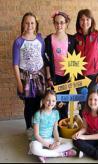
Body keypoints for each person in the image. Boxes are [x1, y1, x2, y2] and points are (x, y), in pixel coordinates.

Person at [12, 12, 46, 140]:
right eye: (27, 22)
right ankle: (28, 128)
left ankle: (36, 127)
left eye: (32, 23)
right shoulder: (18, 42)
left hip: (39, 78)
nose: (29, 25)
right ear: (23, 24)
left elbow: (42, 57)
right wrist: (19, 83)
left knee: (37, 103)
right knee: (28, 105)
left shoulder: (40, 39)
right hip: (25, 80)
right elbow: (15, 64)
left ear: (36, 24)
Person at [74, 8, 98, 114]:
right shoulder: (75, 38)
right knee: (83, 101)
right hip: (80, 76)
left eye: (87, 19)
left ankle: (94, 125)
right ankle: (84, 124)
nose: (85, 22)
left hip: (94, 77)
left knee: (94, 101)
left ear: (91, 20)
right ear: (78, 22)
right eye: (82, 19)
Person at [29, 90, 77, 163]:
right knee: (34, 148)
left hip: (50, 139)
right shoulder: (38, 114)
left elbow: (55, 130)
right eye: (48, 100)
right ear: (43, 101)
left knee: (71, 142)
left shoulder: (56, 113)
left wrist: (57, 141)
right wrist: (48, 145)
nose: (51, 103)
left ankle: (45, 154)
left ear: (56, 102)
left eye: (53, 101)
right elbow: (36, 135)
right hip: (39, 140)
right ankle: (62, 154)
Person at [44, 11, 76, 120]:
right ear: (54, 24)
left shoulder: (72, 39)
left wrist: (72, 76)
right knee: (53, 102)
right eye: (56, 23)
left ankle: (63, 123)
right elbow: (47, 61)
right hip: (54, 77)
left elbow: (75, 59)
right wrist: (49, 77)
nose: (59, 25)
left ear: (66, 23)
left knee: (64, 102)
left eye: (62, 22)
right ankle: (53, 126)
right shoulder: (48, 39)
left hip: (67, 77)